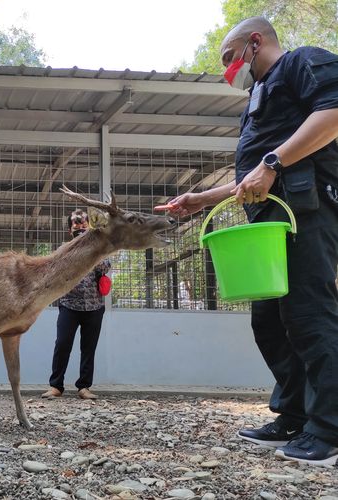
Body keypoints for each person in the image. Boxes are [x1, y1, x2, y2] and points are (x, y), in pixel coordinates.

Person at [163, 16, 338, 466]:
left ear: (254, 42)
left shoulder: (303, 63)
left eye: (229, 59)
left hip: (306, 210)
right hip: (266, 217)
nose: (227, 71)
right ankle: (293, 416)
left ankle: (328, 430)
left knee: (310, 315)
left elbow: (333, 112)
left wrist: (275, 162)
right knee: (270, 320)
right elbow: (250, 177)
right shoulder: (257, 95)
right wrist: (202, 198)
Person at [41, 209, 110, 400]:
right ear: (70, 229)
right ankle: (56, 386)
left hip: (94, 306)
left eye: (83, 223)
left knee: (89, 347)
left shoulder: (99, 246)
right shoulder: (65, 247)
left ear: (90, 226)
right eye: (75, 223)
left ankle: (84, 387)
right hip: (69, 304)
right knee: (62, 344)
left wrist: (93, 250)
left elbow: (106, 266)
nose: (79, 226)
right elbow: (55, 268)